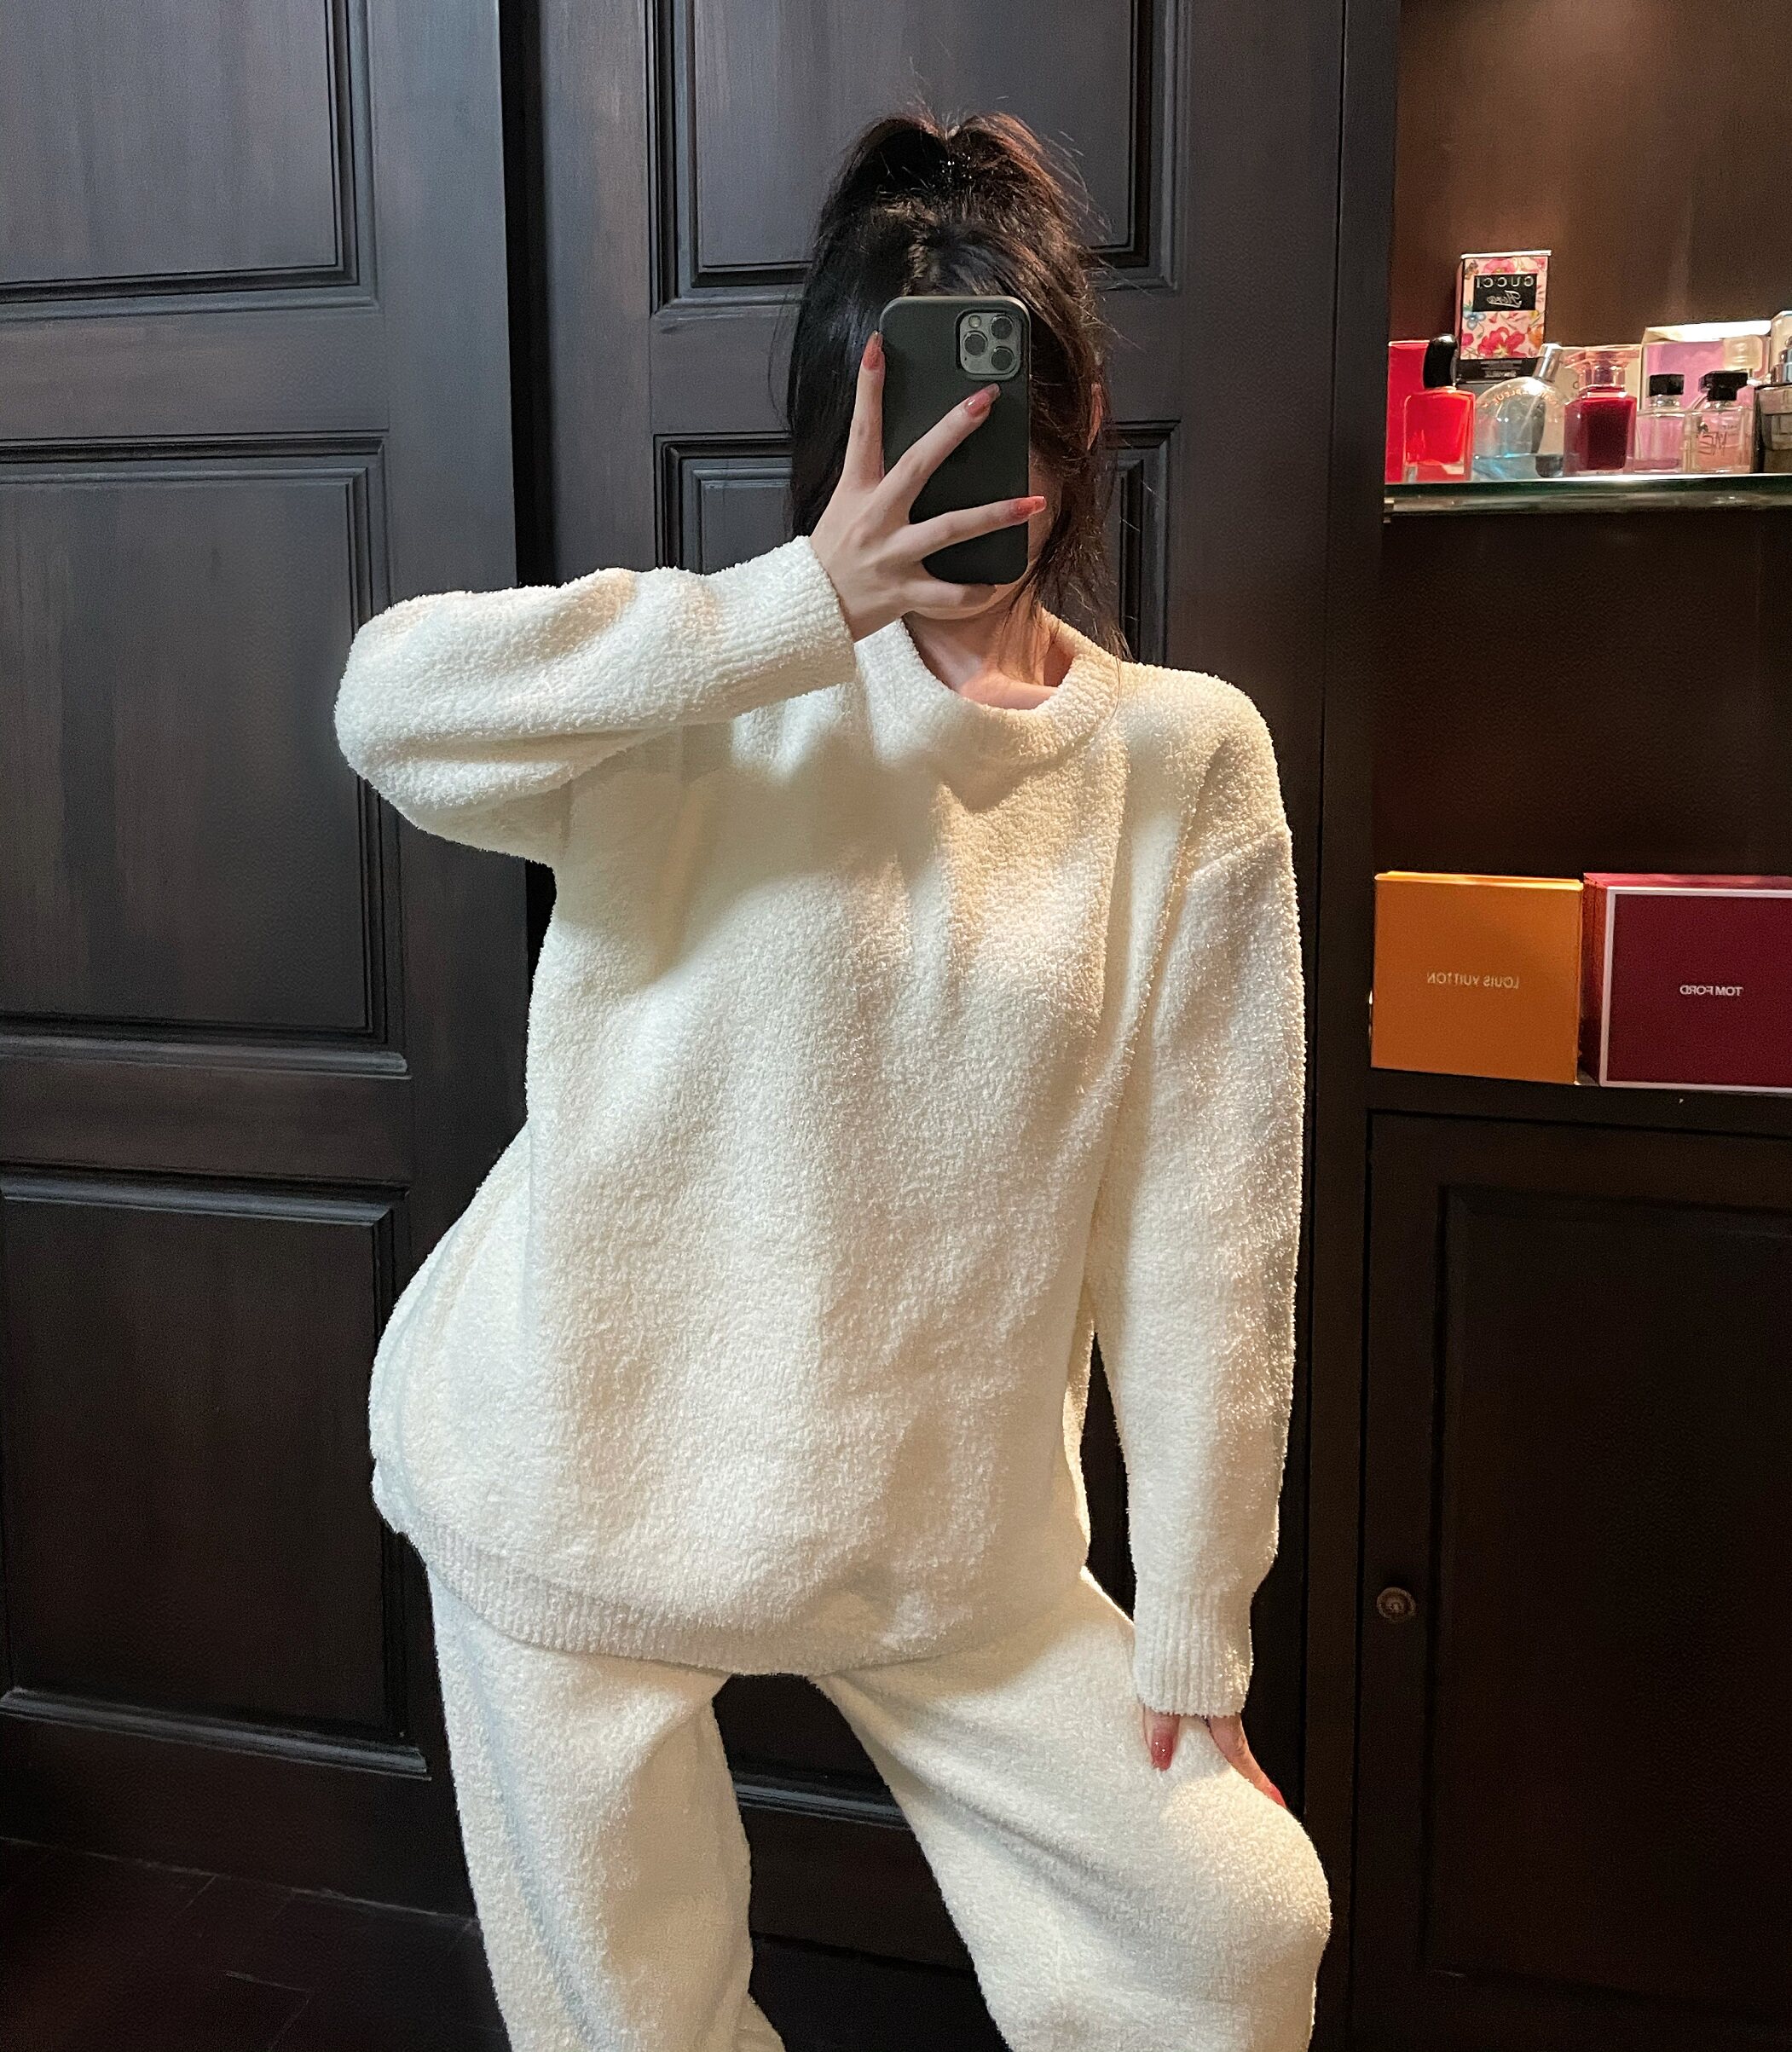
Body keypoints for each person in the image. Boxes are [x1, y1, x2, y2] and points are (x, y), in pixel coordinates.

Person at [333, 107, 1332, 2052]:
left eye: (998, 418)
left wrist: (1197, 1632)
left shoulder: (1181, 764)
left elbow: (1209, 1235)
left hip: (941, 1534)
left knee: (1227, 1933)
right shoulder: (711, 690)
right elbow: (392, 705)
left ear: (1074, 419)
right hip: (579, 1481)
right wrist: (797, 605)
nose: (961, 469)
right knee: (634, 2033)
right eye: (909, 420)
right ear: (833, 430)